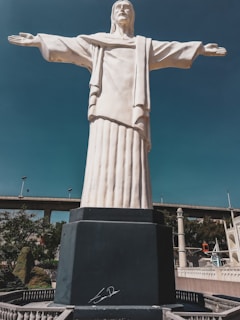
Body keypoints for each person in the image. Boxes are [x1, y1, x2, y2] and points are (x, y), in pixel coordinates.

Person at [8, 0, 226, 209]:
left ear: (133, 16)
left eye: (127, 7)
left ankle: (135, 205)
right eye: (118, 7)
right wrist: (39, 40)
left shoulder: (143, 45)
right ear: (112, 15)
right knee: (102, 155)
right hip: (104, 106)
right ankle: (97, 202)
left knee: (132, 155)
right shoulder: (97, 43)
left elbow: (171, 50)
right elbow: (68, 44)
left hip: (133, 109)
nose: (123, 10)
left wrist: (200, 49)